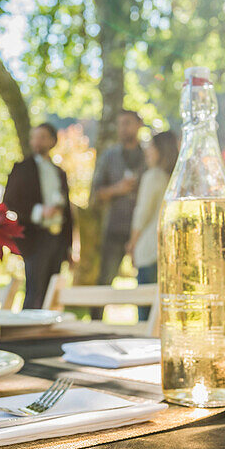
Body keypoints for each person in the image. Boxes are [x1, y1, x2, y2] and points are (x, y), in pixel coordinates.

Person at [4, 123, 74, 309]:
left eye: (42, 137)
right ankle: (28, 331)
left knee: (53, 290)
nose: (37, 141)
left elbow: (68, 212)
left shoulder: (59, 172)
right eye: (35, 137)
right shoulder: (22, 168)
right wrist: (39, 211)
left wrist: (69, 246)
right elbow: (10, 200)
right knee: (35, 289)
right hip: (35, 237)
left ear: (52, 141)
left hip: (57, 237)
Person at [91, 109, 147, 291]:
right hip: (114, 227)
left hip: (143, 229)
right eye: (120, 124)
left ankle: (147, 319)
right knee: (105, 281)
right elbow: (95, 193)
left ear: (139, 125)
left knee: (147, 281)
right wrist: (118, 189)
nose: (123, 128)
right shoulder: (109, 156)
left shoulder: (149, 155)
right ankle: (96, 320)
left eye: (128, 123)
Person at [126, 130, 179, 319]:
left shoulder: (153, 176)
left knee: (146, 314)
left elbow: (142, 214)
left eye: (151, 148)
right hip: (170, 251)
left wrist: (132, 244)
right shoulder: (177, 179)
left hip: (149, 250)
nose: (147, 152)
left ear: (161, 150)